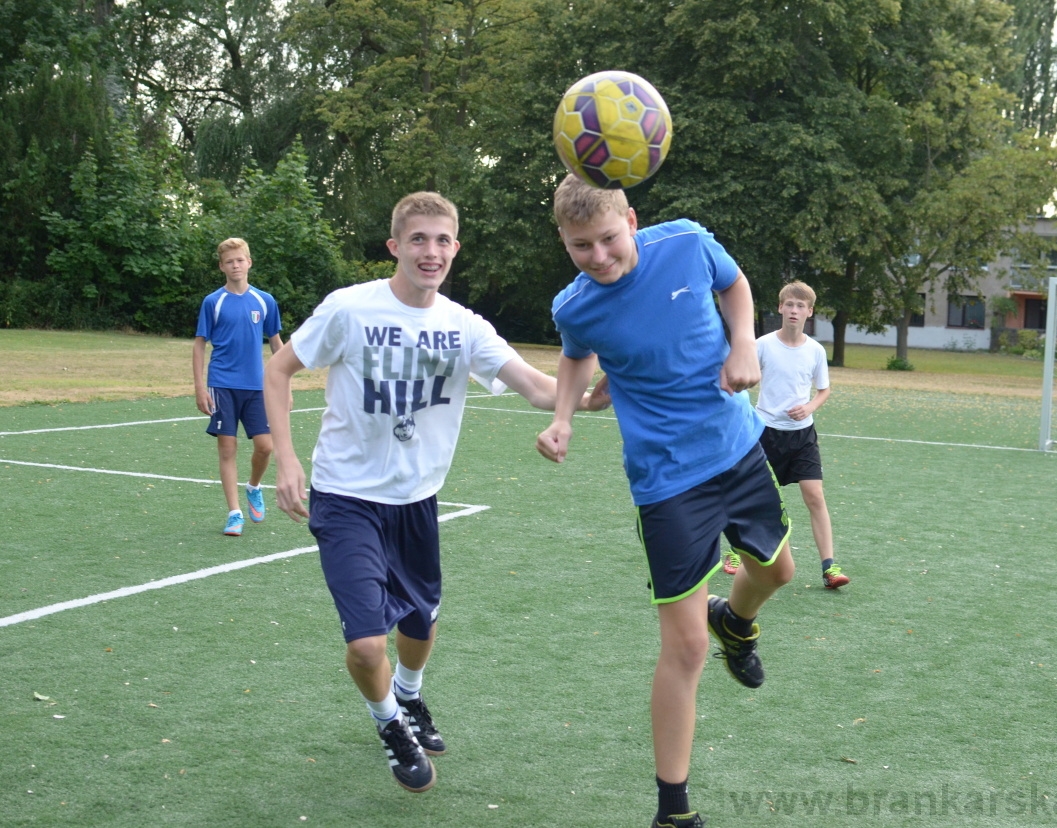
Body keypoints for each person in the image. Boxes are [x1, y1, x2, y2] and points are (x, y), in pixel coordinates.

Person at [263, 192, 606, 794]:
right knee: (369, 642)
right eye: (418, 239)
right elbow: (278, 370)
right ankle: (390, 724)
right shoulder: (349, 309)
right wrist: (286, 459)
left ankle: (411, 695)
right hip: (345, 498)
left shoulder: (463, 326)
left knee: (419, 628)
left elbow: (533, 387)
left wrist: (596, 393)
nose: (432, 251)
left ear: (455, 249)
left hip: (418, 501)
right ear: (396, 246)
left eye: (443, 240)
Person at [536, 174, 795, 828]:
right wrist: (565, 415)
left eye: (607, 238)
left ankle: (735, 620)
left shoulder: (685, 242)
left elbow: (735, 286)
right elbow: (577, 358)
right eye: (579, 247)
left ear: (633, 218)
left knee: (778, 571)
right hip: (666, 481)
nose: (597, 256)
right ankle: (672, 810)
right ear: (565, 245)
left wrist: (742, 344)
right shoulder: (575, 306)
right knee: (684, 648)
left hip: (735, 448)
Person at [724, 281, 849, 590]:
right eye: (789, 305)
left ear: (810, 311)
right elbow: (741, 378)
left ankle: (830, 567)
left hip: (802, 437)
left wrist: (809, 407)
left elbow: (824, 390)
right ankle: (736, 552)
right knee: (748, 498)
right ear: (780, 308)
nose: (794, 310)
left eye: (800, 306)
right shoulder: (762, 344)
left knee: (815, 497)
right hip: (764, 433)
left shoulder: (816, 351)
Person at [193, 237, 285, 537]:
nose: (235, 265)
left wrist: (285, 385)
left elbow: (276, 344)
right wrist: (199, 387)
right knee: (227, 447)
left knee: (266, 446)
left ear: (249, 262)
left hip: (257, 387)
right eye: (229, 261)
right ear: (222, 266)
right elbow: (198, 345)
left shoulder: (264, 301)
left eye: (240, 260)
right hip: (222, 384)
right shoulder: (213, 302)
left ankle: (254, 487)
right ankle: (234, 514)